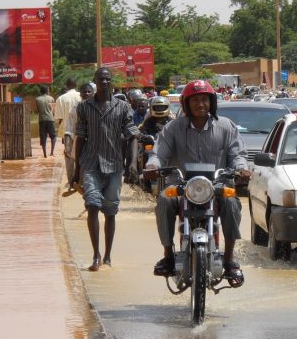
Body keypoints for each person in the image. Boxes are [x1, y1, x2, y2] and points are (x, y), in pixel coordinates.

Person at [145, 80, 249, 282]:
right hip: (182, 185)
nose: (200, 104)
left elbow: (238, 154)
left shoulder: (226, 127)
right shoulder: (173, 128)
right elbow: (159, 153)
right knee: (164, 200)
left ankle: (229, 259)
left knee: (232, 203)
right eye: (195, 100)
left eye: (204, 100)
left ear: (211, 102)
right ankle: (167, 255)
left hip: (217, 185)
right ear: (186, 103)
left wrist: (242, 168)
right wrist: (152, 166)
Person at [72, 67, 139, 272]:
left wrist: (133, 163)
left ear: (112, 82)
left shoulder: (122, 107)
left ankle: (108, 255)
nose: (105, 82)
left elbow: (132, 136)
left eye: (108, 79)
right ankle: (96, 255)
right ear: (94, 81)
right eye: (101, 79)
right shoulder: (84, 108)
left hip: (114, 166)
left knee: (110, 212)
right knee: (92, 205)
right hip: (91, 164)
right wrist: (77, 169)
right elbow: (81, 138)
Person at [63, 82, 94, 192]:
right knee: (76, 163)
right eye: (84, 92)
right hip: (79, 141)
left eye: (89, 91)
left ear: (93, 93)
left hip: (96, 142)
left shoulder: (99, 107)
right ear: (80, 94)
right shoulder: (75, 109)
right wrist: (67, 146)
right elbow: (69, 129)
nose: (86, 93)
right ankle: (75, 183)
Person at [55, 77, 81, 145]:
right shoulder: (82, 96)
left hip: (67, 131)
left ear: (66, 86)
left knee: (68, 153)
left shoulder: (60, 99)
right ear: (76, 85)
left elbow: (60, 118)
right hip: (81, 130)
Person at [35, 85, 56, 157]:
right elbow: (53, 110)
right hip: (50, 119)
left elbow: (38, 110)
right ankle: (52, 152)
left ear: (41, 91)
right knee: (53, 136)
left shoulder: (37, 99)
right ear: (47, 91)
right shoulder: (51, 98)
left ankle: (45, 155)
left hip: (42, 120)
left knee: (43, 137)